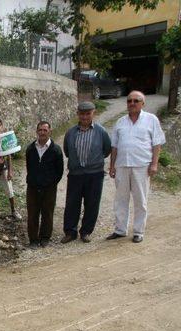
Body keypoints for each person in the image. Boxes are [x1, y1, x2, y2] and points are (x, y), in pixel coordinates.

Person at [107, 91, 166, 243]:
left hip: (142, 165)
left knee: (140, 199)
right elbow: (114, 147)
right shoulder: (120, 122)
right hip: (122, 165)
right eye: (129, 101)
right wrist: (112, 166)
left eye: (136, 100)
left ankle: (138, 232)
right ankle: (120, 230)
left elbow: (157, 143)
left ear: (142, 103)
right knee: (121, 199)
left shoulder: (151, 120)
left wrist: (154, 164)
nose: (132, 103)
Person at [61, 101, 112, 244]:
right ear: (78, 114)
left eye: (88, 113)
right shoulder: (70, 132)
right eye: (82, 114)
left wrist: (94, 162)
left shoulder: (101, 131)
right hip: (75, 174)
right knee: (72, 203)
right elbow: (67, 150)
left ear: (93, 113)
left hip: (94, 174)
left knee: (92, 203)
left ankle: (86, 232)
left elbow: (107, 150)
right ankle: (70, 232)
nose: (84, 117)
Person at [26, 121, 64, 248]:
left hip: (49, 188)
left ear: (50, 131)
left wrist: (50, 183)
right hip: (32, 187)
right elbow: (29, 167)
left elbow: (60, 171)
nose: (42, 132)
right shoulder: (30, 149)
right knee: (32, 213)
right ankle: (33, 239)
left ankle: (45, 237)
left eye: (45, 130)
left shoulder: (56, 150)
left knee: (47, 213)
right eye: (40, 130)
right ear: (37, 131)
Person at [0, 119, 22, 220]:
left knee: (10, 190)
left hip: (4, 169)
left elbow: (8, 156)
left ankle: (13, 210)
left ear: (2, 126)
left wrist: (10, 171)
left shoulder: (5, 138)